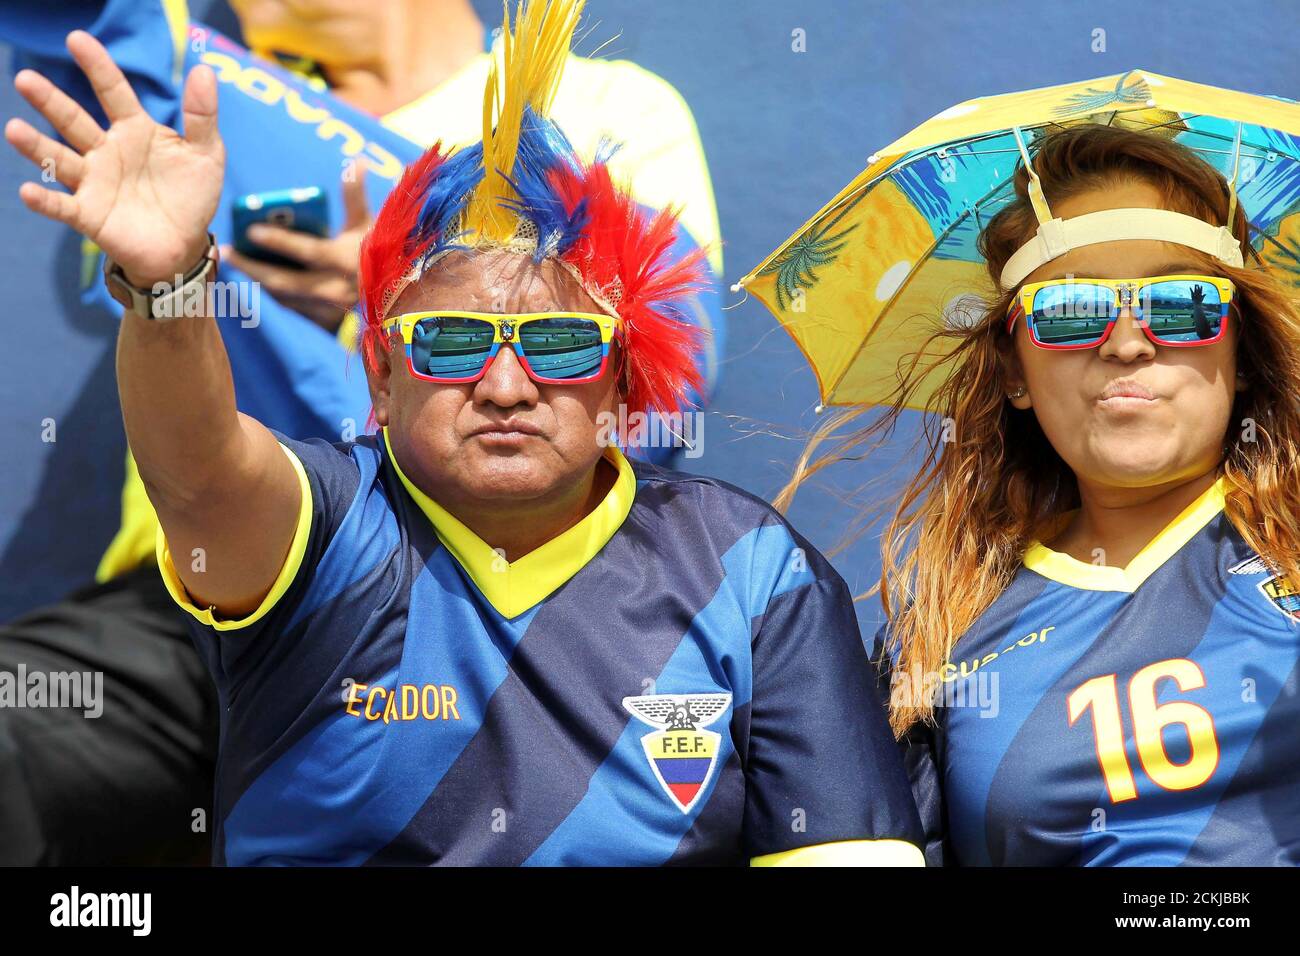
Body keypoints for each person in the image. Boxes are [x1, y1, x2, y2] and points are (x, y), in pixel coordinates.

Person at [6, 0, 923, 865]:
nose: (507, 384)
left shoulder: (749, 570)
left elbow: (688, 340)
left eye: (561, 344)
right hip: (254, 575)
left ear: (618, 371)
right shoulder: (195, 90)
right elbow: (203, 479)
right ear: (383, 371)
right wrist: (168, 282)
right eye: (448, 341)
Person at [782, 123, 1300, 865]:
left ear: (1242, 351)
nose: (1127, 342)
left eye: (1183, 302)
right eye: (1070, 310)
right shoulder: (946, 627)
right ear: (1013, 371)